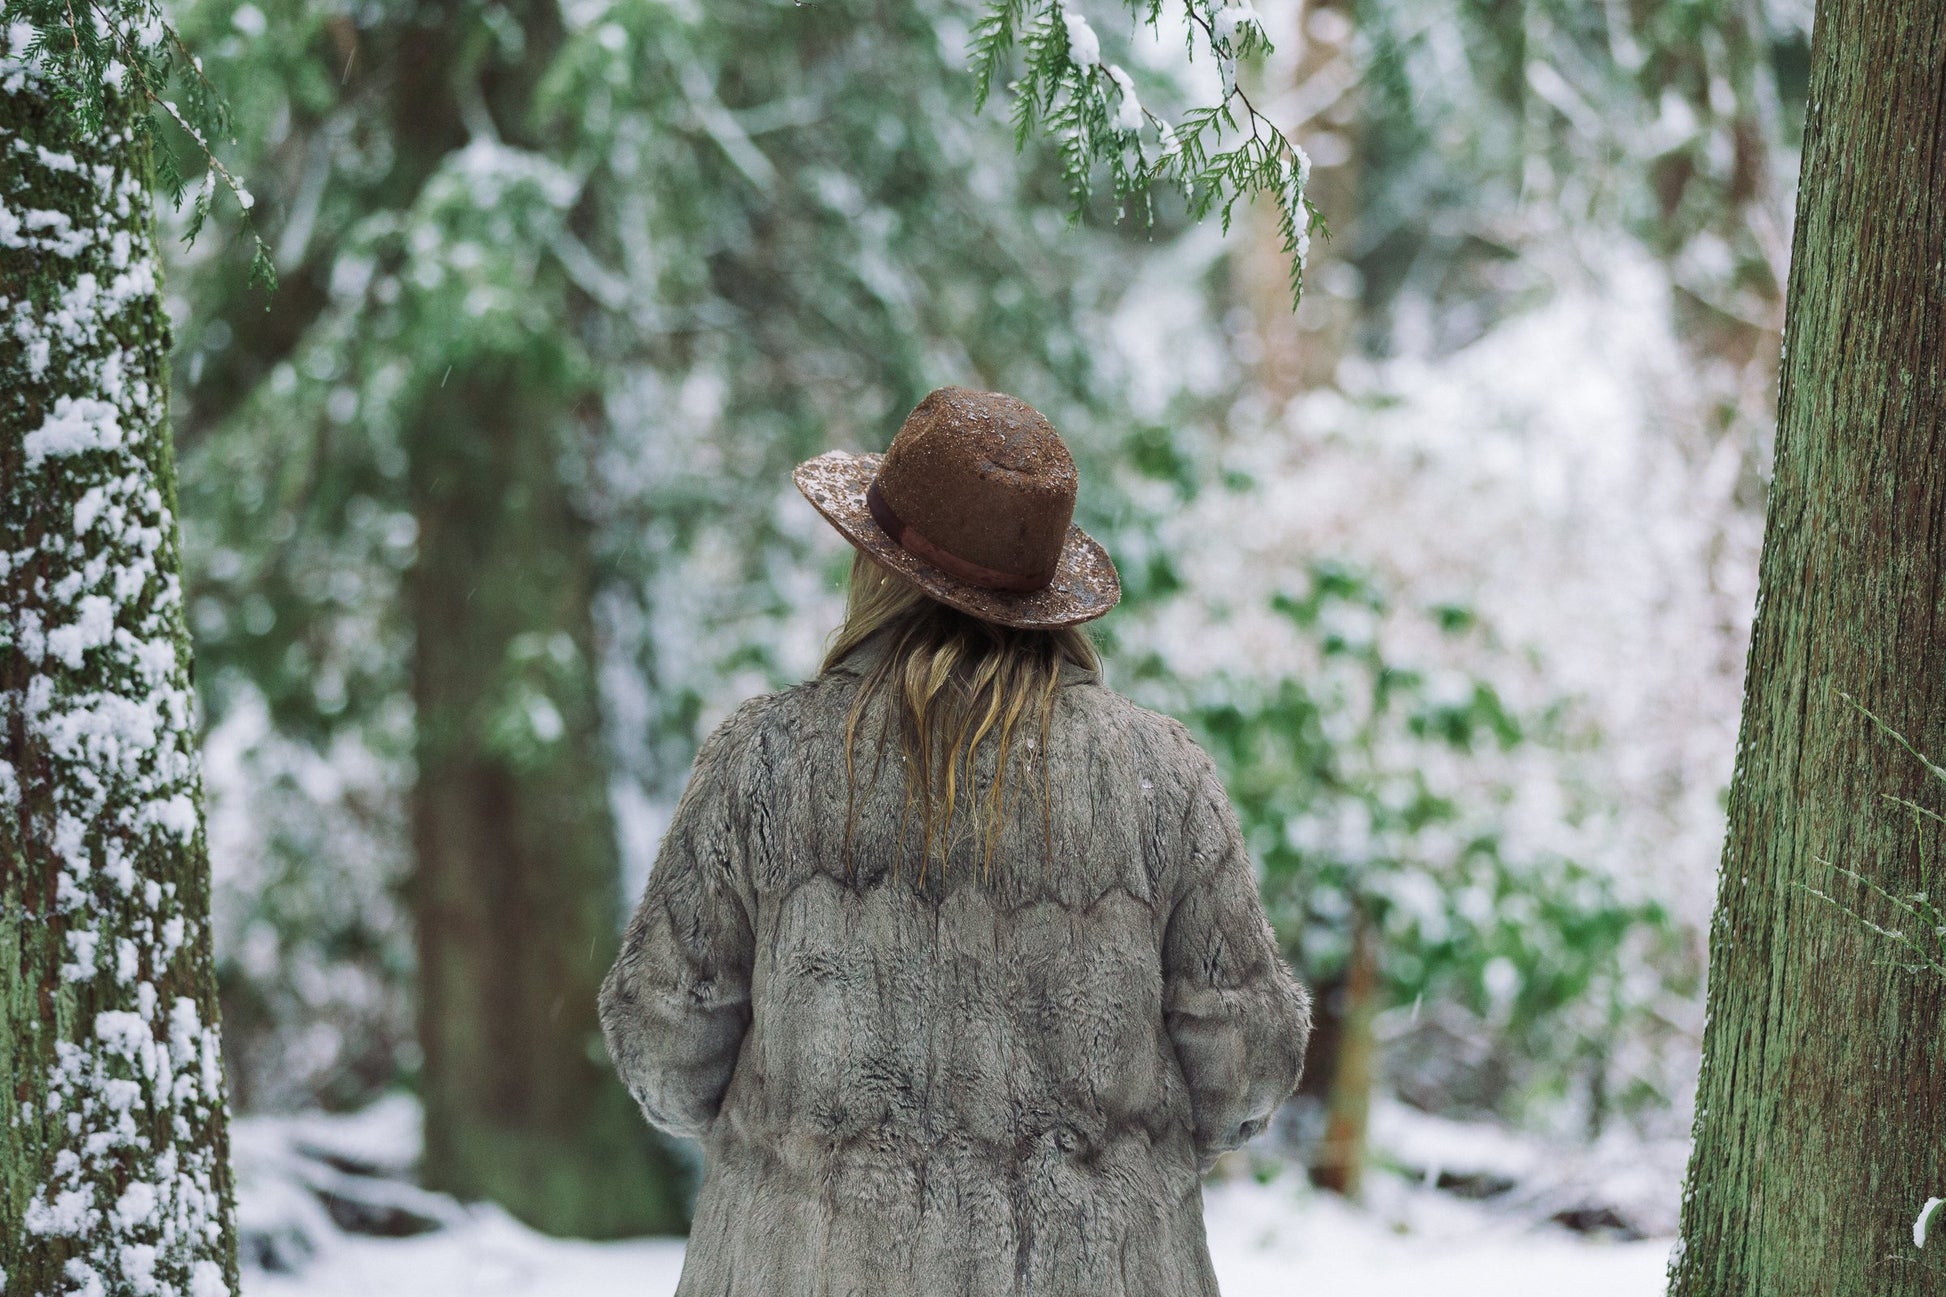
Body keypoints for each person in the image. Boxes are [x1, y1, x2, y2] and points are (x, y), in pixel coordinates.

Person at [599, 386, 1312, 1295]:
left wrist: (815, 1139)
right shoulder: (1158, 774)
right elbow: (1245, 1062)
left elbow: (665, 1045)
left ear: (879, 568)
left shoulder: (764, 762)